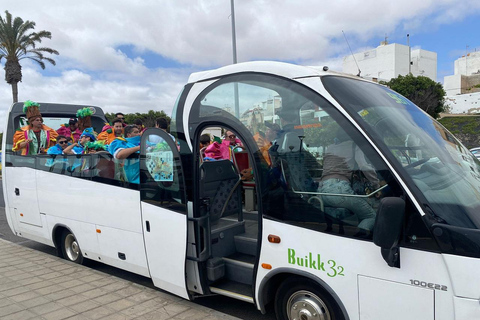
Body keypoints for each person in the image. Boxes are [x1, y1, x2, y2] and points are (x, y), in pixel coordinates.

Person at [319, 129, 380, 231]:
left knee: (361, 210)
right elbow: (364, 167)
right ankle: (360, 238)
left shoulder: (330, 147)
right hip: (340, 190)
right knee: (370, 216)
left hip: (321, 191)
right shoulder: (354, 146)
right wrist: (376, 185)